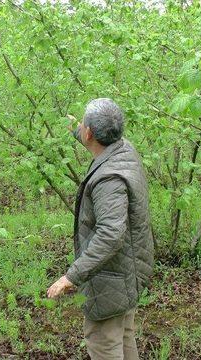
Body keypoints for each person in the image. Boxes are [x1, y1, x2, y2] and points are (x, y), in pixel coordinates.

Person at [47, 98, 155, 360]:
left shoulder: (108, 180)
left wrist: (71, 277)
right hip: (128, 272)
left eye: (83, 125)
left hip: (110, 281)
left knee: (105, 344)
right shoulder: (124, 151)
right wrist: (73, 128)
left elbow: (110, 235)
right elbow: (96, 139)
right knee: (124, 337)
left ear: (90, 133)